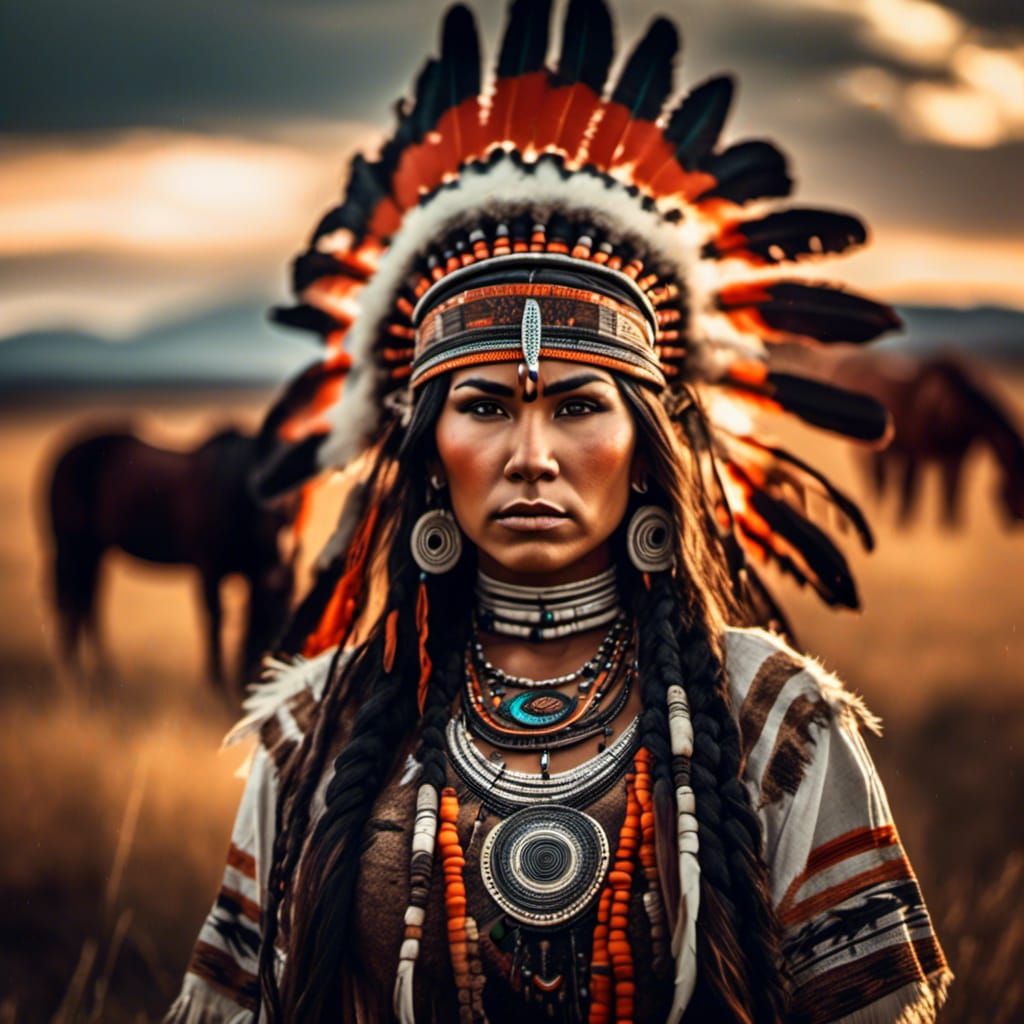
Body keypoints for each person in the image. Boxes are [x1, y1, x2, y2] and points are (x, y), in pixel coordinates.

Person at [166, 1, 951, 1021]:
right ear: (429, 453)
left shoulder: (773, 722)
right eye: (485, 406)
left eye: (578, 406)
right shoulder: (316, 733)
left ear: (646, 450)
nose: (530, 456)